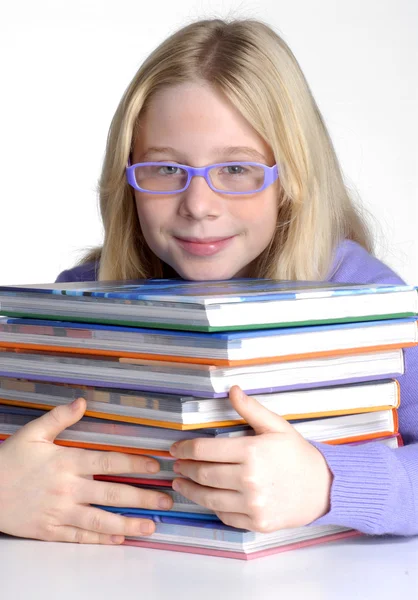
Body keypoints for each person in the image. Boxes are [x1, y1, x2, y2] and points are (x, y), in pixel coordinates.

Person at [1, 18, 417, 544]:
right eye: (166, 170)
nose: (198, 206)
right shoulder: (81, 299)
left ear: (291, 178)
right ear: (127, 176)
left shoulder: (370, 303)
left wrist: (330, 484)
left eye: (237, 170)